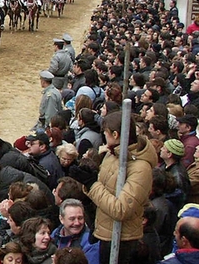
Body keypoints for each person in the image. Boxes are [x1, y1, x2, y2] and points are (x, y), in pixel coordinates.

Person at [69, 111, 157, 264]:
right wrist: (90, 178)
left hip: (123, 239)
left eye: (105, 132)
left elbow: (120, 209)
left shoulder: (141, 168)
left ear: (115, 134)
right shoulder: (112, 154)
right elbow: (105, 188)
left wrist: (92, 184)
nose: (104, 136)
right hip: (104, 231)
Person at [50, 199, 99, 263]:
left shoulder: (90, 242)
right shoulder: (55, 234)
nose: (77, 223)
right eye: (72, 219)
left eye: (80, 218)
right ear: (61, 219)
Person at [160, 139, 191, 208]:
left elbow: (180, 198)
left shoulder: (178, 175)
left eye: (164, 148)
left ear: (169, 154)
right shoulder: (164, 165)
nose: (161, 149)